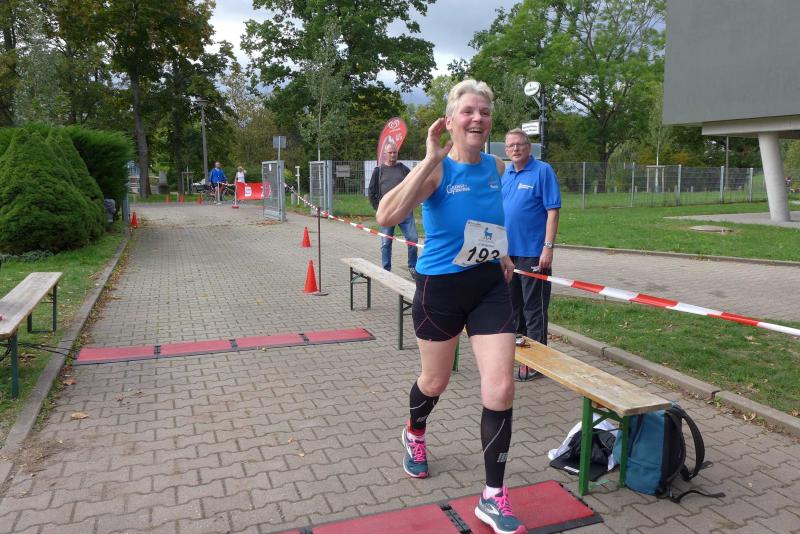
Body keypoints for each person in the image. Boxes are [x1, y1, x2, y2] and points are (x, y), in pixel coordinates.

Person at [376, 80, 526, 534]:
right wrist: (428, 159)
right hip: (440, 290)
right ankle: (415, 433)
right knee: (435, 381)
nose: (477, 118)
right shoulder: (437, 170)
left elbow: (487, 219)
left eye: (484, 112)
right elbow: (385, 216)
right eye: (468, 111)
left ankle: (493, 496)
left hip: (489, 287)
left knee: (500, 388)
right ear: (451, 120)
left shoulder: (496, 166)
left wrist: (501, 252)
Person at [502, 129, 561, 381]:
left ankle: (538, 361)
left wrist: (547, 247)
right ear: (506, 150)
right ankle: (522, 354)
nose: (515, 149)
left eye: (520, 144)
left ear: (529, 146)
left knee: (534, 308)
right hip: (508, 254)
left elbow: (553, 211)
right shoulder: (505, 174)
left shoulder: (542, 171)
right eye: (511, 146)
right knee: (513, 307)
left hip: (533, 254)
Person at [368, 142, 419, 276]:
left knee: (413, 239)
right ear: (385, 154)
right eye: (390, 152)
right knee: (386, 243)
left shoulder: (404, 169)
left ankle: (413, 267)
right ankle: (386, 270)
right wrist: (378, 209)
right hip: (387, 213)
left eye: (394, 152)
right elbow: (371, 192)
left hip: (404, 211)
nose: (392, 155)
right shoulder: (378, 171)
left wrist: (411, 203)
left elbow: (414, 186)